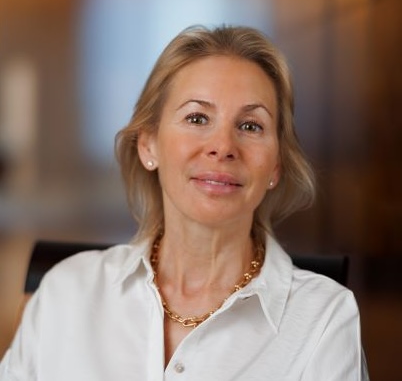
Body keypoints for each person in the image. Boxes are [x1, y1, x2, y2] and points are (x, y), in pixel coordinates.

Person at [0, 25, 369, 380]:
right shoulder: (64, 291)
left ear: (275, 165)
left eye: (251, 125)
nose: (223, 146)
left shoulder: (325, 319)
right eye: (197, 118)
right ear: (148, 145)